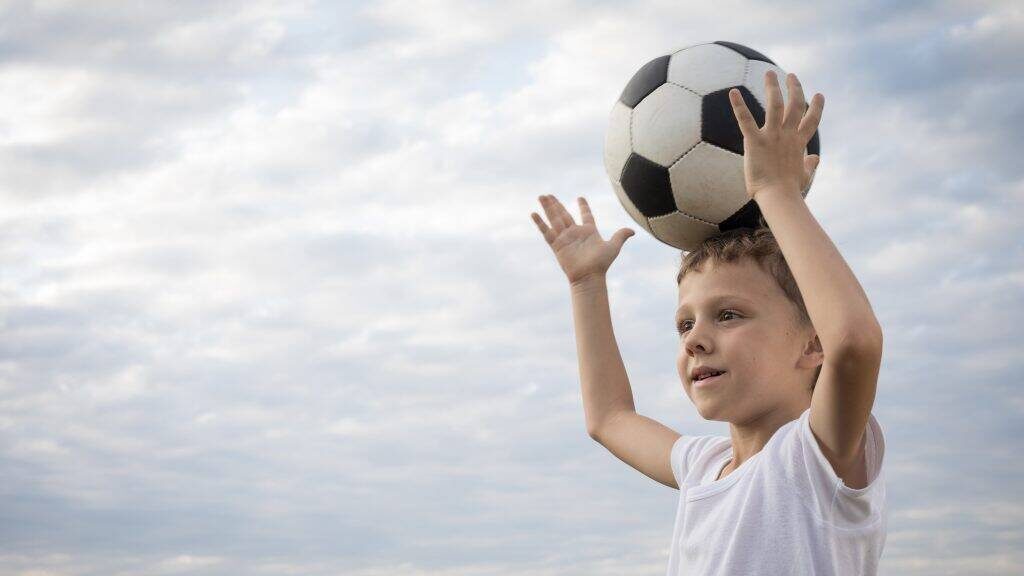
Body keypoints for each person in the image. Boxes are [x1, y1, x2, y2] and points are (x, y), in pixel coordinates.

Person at [530, 70, 886, 575]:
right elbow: (608, 419)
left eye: (728, 315)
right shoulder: (703, 468)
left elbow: (855, 342)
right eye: (684, 325)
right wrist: (586, 285)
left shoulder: (816, 458)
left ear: (813, 343)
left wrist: (776, 192)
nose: (695, 339)